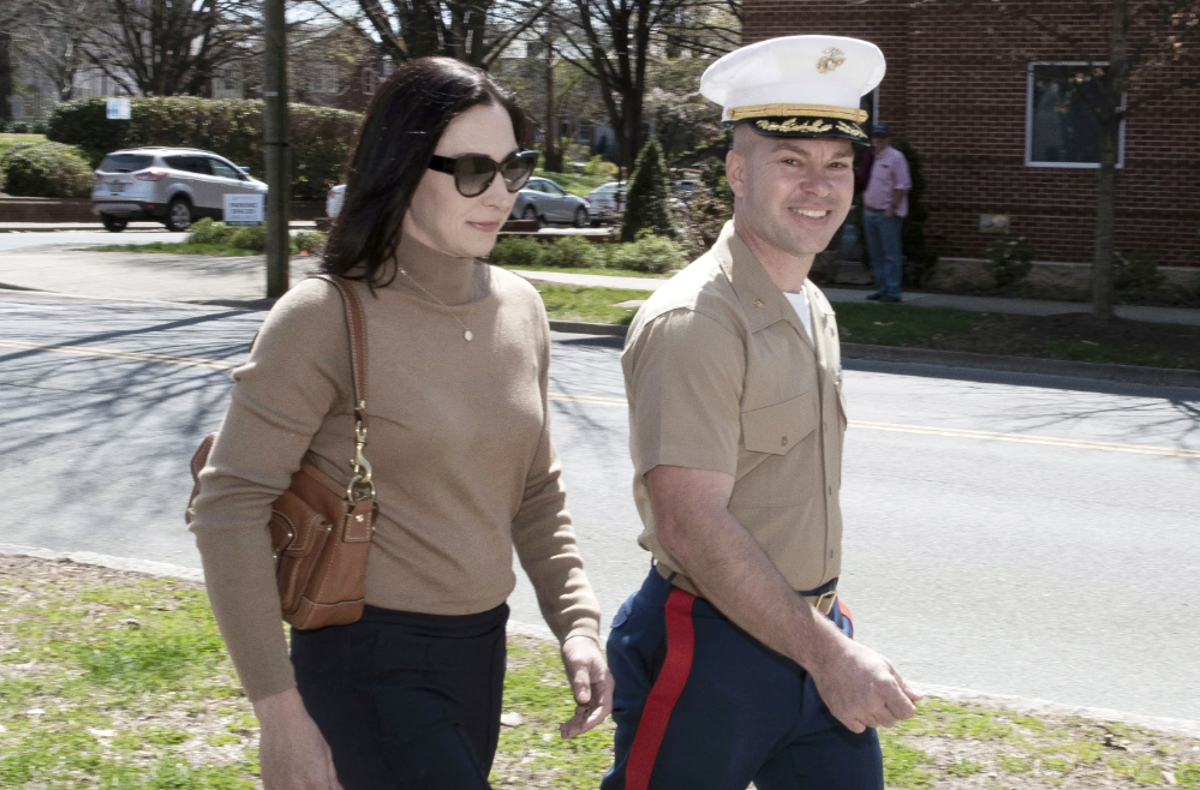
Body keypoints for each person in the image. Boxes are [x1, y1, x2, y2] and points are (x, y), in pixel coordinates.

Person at [188, 57, 611, 790]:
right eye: (473, 170)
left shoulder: (522, 308)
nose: (502, 193)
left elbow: (535, 491)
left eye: (515, 168)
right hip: (364, 657)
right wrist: (278, 713)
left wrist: (577, 622)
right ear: (405, 166)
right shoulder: (323, 317)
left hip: (480, 649)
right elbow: (228, 508)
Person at [602, 35, 920, 790]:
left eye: (837, 163)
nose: (821, 184)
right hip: (709, 644)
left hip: (810, 630)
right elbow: (691, 524)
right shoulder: (695, 320)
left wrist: (824, 638)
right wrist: (829, 654)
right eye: (790, 160)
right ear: (737, 172)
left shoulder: (809, 302)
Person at [862, 121, 912, 302]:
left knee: (891, 254)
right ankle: (882, 289)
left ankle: (892, 291)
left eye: (882, 137)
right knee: (876, 255)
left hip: (887, 214)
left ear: (888, 139)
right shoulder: (870, 157)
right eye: (876, 136)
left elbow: (902, 185)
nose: (878, 140)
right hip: (869, 212)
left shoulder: (896, 158)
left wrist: (892, 208)